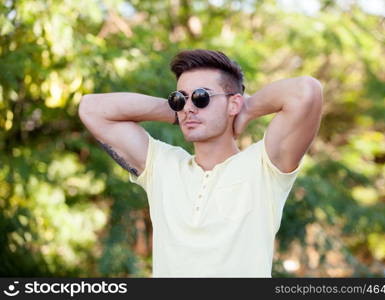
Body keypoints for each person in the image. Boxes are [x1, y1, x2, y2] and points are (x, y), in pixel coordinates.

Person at [78, 49, 323, 277]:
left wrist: (246, 109)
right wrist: (177, 111)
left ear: (233, 103)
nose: (189, 107)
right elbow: (92, 109)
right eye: (180, 98)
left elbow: (306, 91)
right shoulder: (162, 166)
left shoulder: (263, 168)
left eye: (201, 97)